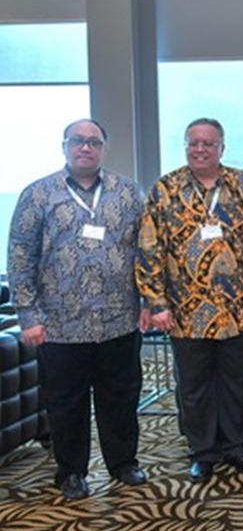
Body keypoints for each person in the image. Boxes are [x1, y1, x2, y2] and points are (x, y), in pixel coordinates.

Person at [7, 119, 147, 498]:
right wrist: (28, 315)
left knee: (121, 396)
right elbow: (20, 257)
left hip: (119, 320)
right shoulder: (39, 194)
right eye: (78, 141)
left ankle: (124, 462)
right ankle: (71, 471)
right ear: (65, 146)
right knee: (66, 402)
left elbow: (146, 251)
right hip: (60, 325)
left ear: (103, 148)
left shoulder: (127, 192)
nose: (86, 148)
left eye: (94, 142)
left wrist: (150, 301)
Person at [137, 118, 243, 482]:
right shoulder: (165, 189)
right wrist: (156, 303)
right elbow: (149, 248)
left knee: (237, 383)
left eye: (208, 143)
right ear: (185, 146)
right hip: (186, 311)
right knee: (194, 387)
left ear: (222, 148)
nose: (200, 149)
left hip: (237, 308)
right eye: (193, 142)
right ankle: (203, 451)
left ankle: (237, 446)